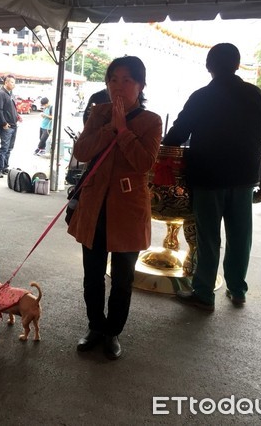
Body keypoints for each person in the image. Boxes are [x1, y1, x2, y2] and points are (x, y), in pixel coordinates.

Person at [67, 56, 162, 360]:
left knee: (122, 279)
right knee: (92, 275)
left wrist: (124, 131)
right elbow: (81, 151)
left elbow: (144, 163)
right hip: (95, 206)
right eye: (113, 80)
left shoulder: (151, 121)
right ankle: (95, 327)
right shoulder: (98, 113)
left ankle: (113, 332)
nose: (118, 86)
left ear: (140, 85)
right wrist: (110, 128)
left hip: (129, 210)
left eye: (127, 80)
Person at [162, 43, 261, 312]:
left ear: (209, 66)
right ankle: (237, 289)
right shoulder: (255, 94)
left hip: (209, 177)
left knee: (208, 237)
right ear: (237, 64)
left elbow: (178, 132)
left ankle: (204, 293)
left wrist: (164, 143)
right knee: (240, 235)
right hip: (244, 177)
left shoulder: (202, 97)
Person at [0, 75, 21, 178]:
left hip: (14, 125)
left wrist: (17, 116)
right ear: (6, 83)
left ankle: (5, 167)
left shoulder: (11, 94)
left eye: (14, 82)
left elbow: (12, 108)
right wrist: (4, 123)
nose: (14, 84)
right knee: (4, 148)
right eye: (12, 82)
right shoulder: (1, 94)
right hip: (7, 126)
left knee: (9, 148)